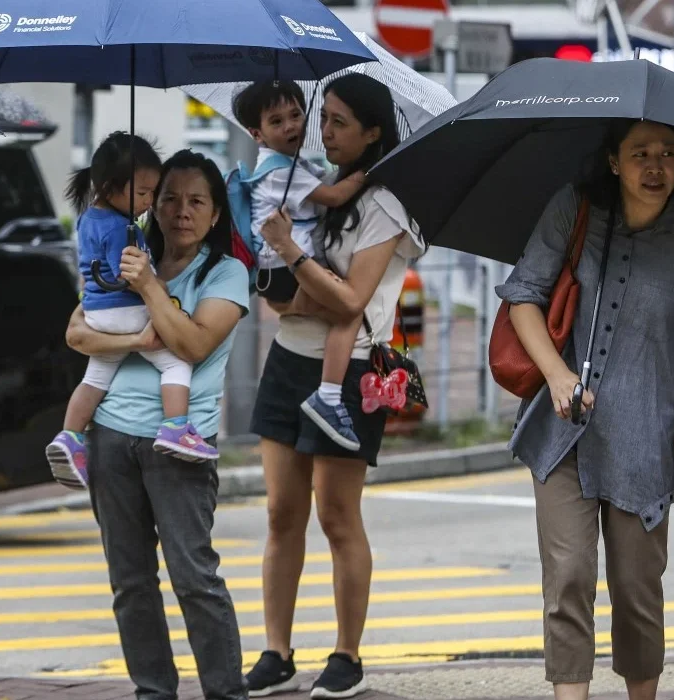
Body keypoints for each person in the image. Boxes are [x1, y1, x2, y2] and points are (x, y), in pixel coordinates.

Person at [495, 118, 674, 700]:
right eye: (639, 154)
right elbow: (523, 296)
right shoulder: (574, 208)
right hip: (562, 434)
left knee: (636, 590)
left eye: (667, 154)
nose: (654, 167)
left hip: (647, 441)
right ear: (612, 160)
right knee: (569, 579)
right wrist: (556, 378)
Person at [245, 73, 425, 700]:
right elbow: (292, 296)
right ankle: (276, 651)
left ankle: (346, 654)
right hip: (290, 359)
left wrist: (291, 256)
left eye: (340, 122)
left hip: (349, 371)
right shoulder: (313, 186)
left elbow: (350, 299)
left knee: (337, 516)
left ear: (374, 132)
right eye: (324, 120)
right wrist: (287, 286)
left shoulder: (386, 205)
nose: (324, 132)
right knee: (280, 512)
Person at [64, 149, 251, 700]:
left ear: (216, 214)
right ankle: (153, 691)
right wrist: (133, 335)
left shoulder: (226, 273)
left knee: (194, 578)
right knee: (130, 583)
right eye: (168, 198)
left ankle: (224, 692)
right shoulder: (126, 253)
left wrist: (149, 289)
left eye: (197, 202)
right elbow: (78, 333)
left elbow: (192, 344)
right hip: (111, 436)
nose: (180, 212)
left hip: (180, 445)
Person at [47, 132, 218, 491]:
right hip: (126, 310)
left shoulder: (88, 219)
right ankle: (176, 427)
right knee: (175, 361)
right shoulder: (120, 227)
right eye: (143, 193)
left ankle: (70, 436)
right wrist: (156, 288)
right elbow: (129, 276)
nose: (149, 201)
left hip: (95, 312)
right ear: (111, 187)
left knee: (95, 378)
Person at [234, 80, 370, 451]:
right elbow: (335, 194)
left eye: (296, 115)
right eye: (277, 122)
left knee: (338, 307)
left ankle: (326, 392)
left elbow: (323, 183)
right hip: (282, 269)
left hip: (283, 269)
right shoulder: (279, 172)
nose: (292, 126)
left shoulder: (291, 164)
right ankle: (328, 397)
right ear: (256, 134)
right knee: (348, 311)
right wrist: (368, 171)